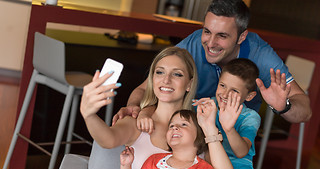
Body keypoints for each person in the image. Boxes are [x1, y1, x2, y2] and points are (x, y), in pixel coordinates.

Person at [78, 46, 236, 169]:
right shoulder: (138, 121)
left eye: (176, 74)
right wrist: (89, 115)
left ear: (189, 84)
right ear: (152, 79)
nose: (166, 80)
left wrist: (210, 129)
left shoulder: (197, 127)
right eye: (159, 72)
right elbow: (107, 140)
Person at [113, 0, 311, 126]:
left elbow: (305, 110)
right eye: (207, 31)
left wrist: (283, 106)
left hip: (233, 139)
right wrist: (133, 107)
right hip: (188, 128)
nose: (210, 43)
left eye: (222, 36)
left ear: (242, 37)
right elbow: (144, 89)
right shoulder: (192, 42)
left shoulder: (261, 55)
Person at [193, 58, 261, 169]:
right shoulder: (210, 105)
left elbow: (241, 151)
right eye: (222, 85)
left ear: (249, 96)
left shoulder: (249, 117)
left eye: (235, 91)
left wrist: (228, 128)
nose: (225, 94)